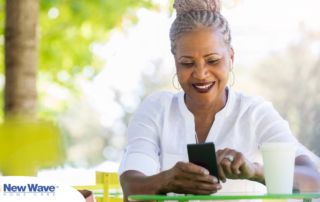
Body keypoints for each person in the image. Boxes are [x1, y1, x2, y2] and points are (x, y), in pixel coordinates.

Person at [118, 0, 320, 201]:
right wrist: (167, 179)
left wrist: (255, 171)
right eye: (187, 63)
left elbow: (313, 180)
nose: (201, 74)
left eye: (213, 60)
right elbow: (131, 187)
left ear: (231, 57)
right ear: (176, 63)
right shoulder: (157, 110)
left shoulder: (254, 113)